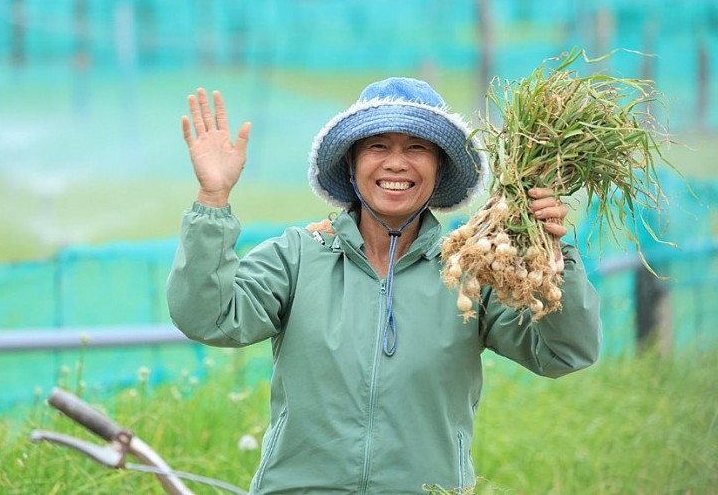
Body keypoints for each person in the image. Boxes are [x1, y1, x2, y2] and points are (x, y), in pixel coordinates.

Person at [167, 77, 601, 494]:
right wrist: (213, 199)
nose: (396, 163)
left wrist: (552, 253)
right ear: (352, 165)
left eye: (417, 147)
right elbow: (210, 318)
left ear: (439, 168)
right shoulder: (298, 256)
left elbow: (564, 352)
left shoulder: (471, 270)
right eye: (378, 146)